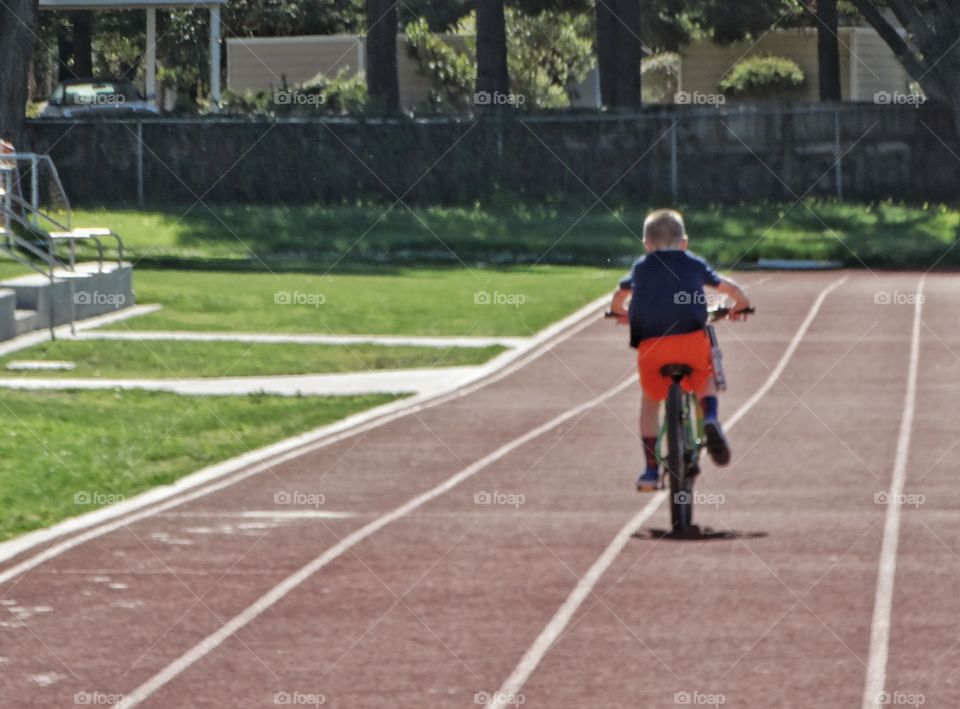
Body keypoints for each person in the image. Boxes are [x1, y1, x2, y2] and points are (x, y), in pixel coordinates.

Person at [613, 209, 752, 491]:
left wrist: (621, 313)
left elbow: (619, 296)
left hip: (651, 347)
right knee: (705, 377)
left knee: (650, 402)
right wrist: (740, 306)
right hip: (690, 342)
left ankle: (650, 470)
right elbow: (730, 288)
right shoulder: (693, 263)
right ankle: (710, 417)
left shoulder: (641, 267)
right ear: (684, 242)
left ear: (647, 244)